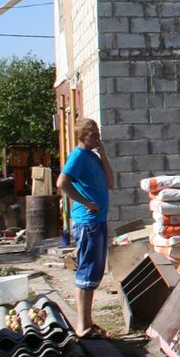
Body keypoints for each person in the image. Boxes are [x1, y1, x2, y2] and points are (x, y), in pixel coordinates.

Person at [56, 117, 114, 339]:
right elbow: (62, 183)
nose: (97, 137)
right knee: (87, 271)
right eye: (92, 134)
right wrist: (86, 203)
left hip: (97, 221)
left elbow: (111, 182)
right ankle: (82, 326)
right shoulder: (78, 156)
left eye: (97, 132)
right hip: (87, 222)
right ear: (81, 137)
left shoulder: (92, 156)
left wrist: (104, 155)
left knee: (93, 272)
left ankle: (88, 322)